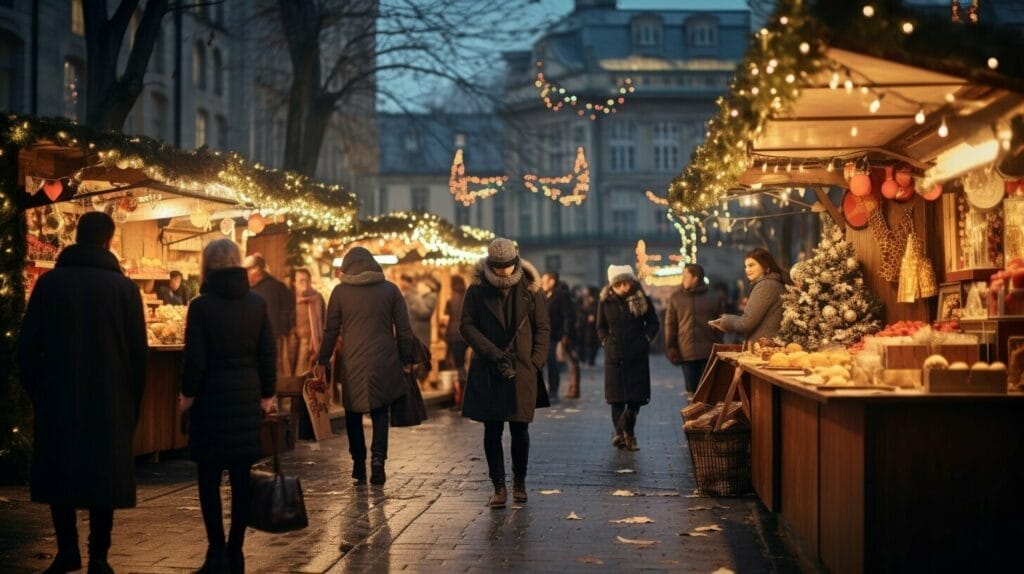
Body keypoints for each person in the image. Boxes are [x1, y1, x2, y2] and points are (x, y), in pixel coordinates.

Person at [17, 211, 148, 574]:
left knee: (60, 473)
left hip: (58, 396)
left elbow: (26, 347)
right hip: (110, 400)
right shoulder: (124, 290)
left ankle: (67, 551)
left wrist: (39, 390)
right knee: (102, 477)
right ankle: (99, 557)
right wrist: (131, 401)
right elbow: (139, 355)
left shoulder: (50, 284)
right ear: (109, 240)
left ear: (76, 236)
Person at [179, 239, 277, 573]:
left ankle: (216, 552)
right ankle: (236, 553)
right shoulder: (257, 304)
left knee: (208, 479)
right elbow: (267, 354)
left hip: (210, 403)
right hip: (245, 399)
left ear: (206, 266)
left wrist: (187, 394)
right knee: (240, 479)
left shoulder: (201, 306)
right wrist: (267, 394)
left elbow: (195, 358)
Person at [313, 247, 417, 486]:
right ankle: (378, 461)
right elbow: (404, 330)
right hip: (384, 360)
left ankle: (358, 463)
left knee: (352, 412)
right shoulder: (390, 290)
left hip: (352, 361)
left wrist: (322, 360)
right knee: (380, 411)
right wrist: (406, 360)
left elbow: (331, 331)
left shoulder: (339, 292)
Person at [460, 238, 550, 508]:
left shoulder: (531, 290)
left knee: (520, 428)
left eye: (507, 267)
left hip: (522, 368)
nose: (503, 272)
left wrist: (535, 362)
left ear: (516, 263)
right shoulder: (476, 290)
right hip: (490, 367)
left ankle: (519, 482)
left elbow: (543, 329)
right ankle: (498, 486)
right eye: (498, 267)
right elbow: (466, 325)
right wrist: (492, 352)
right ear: (490, 264)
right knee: (492, 430)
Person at [597, 264, 659, 451]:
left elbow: (653, 323)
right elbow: (600, 326)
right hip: (614, 356)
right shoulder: (605, 301)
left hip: (637, 355)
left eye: (627, 283)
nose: (625, 287)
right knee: (616, 400)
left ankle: (625, 433)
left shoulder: (642, 298)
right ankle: (624, 436)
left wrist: (646, 339)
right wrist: (606, 341)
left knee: (634, 400)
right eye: (620, 284)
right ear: (613, 285)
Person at [664, 264, 724, 395]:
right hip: (687, 352)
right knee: (692, 391)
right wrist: (671, 347)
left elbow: (721, 323)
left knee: (707, 391)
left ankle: (704, 415)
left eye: (686, 275)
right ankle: (693, 415)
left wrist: (719, 345)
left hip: (708, 351)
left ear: (695, 278)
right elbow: (670, 324)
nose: (683, 278)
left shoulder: (713, 297)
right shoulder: (676, 297)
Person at [710, 247, 790, 343]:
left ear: (765, 266)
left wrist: (725, 320)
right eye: (746, 266)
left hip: (763, 348)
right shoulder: (772, 283)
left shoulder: (765, 286)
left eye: (751, 265)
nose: (747, 270)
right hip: (768, 345)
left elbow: (746, 323)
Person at [243, 253, 296, 375]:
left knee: (272, 367)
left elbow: (290, 308)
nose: (245, 274)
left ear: (257, 269)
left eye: (247, 270)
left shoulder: (276, 287)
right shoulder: (247, 289)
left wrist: (284, 327)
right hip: (252, 337)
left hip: (272, 337)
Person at [541, 272, 577, 401]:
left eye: (544, 280)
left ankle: (553, 391)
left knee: (552, 362)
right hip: (542, 335)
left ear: (552, 281)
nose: (541, 282)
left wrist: (566, 334)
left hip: (555, 335)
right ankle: (541, 392)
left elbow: (568, 316)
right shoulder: (542, 295)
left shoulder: (561, 296)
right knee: (540, 364)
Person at [440, 274, 469, 408]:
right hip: (468, 335)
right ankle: (468, 398)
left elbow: (445, 320)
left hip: (454, 335)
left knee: (459, 366)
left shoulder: (450, 298)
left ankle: (462, 400)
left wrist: (442, 333)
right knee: (467, 364)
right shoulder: (468, 295)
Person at [290, 268, 325, 376]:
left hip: (310, 341)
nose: (305, 283)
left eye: (307, 280)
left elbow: (323, 320)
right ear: (294, 283)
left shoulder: (317, 298)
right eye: (301, 281)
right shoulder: (290, 298)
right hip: (291, 340)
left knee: (304, 373)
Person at [400, 273, 438, 348]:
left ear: (427, 287)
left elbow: (424, 313)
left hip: (421, 336)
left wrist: (414, 295)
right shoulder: (417, 297)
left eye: (421, 286)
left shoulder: (431, 297)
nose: (418, 288)